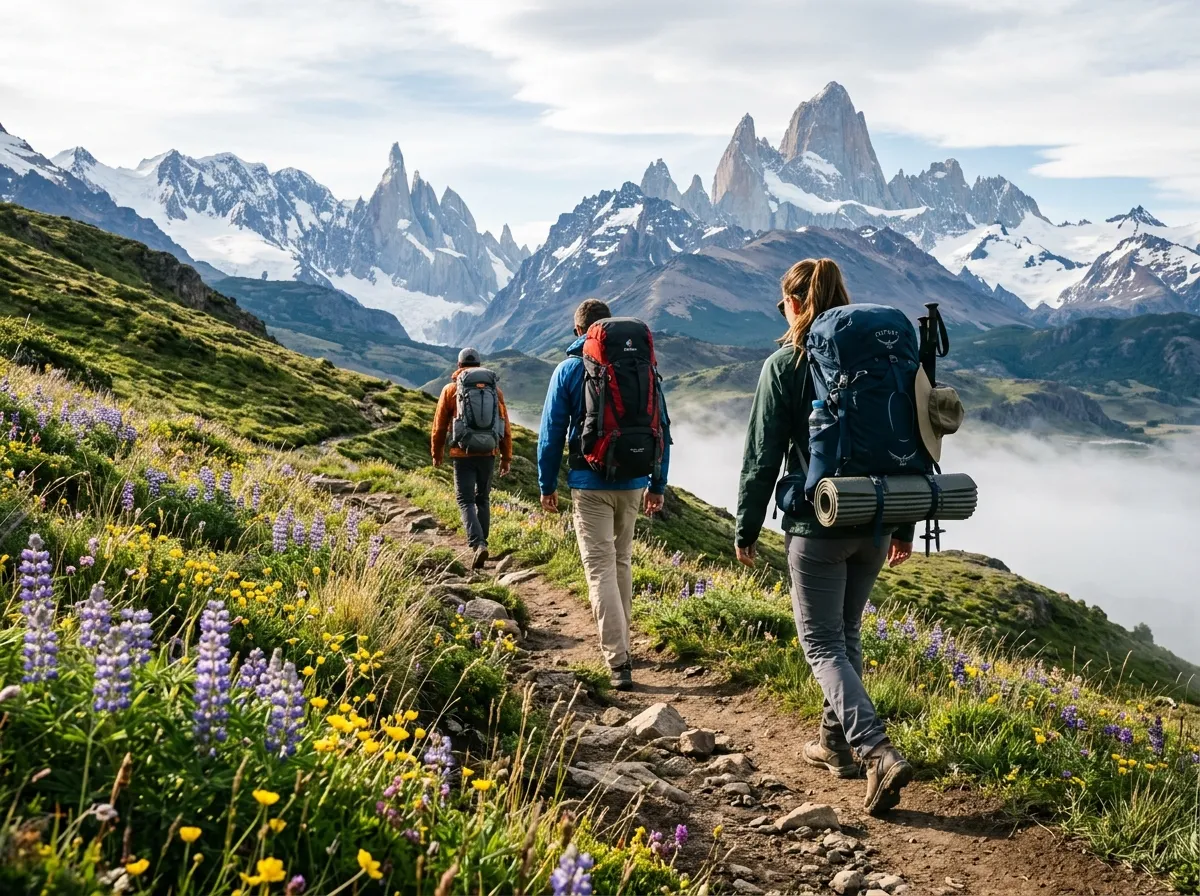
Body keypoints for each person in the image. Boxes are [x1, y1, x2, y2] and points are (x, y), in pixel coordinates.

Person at [734, 258, 915, 816]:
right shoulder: (883, 358)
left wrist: (745, 525)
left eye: (781, 302)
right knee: (847, 633)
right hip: (878, 517)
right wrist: (902, 522)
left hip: (820, 522)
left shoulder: (786, 363)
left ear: (793, 304)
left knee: (822, 643)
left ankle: (875, 751)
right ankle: (834, 745)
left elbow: (761, 456)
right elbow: (914, 438)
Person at [537, 299, 671, 691]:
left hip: (589, 483)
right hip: (633, 481)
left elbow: (550, 436)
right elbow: (661, 425)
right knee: (622, 561)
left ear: (579, 332)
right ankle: (623, 642)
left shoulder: (567, 370)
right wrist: (658, 485)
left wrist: (547, 485)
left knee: (599, 566)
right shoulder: (640, 366)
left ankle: (618, 659)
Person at [431, 347, 512, 569]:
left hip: (462, 453)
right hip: (488, 452)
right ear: (479, 365)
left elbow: (439, 427)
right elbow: (504, 426)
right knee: (482, 499)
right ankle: (482, 542)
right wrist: (506, 457)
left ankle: (478, 544)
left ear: (458, 366)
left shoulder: (450, 390)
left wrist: (436, 454)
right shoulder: (495, 390)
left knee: (465, 500)